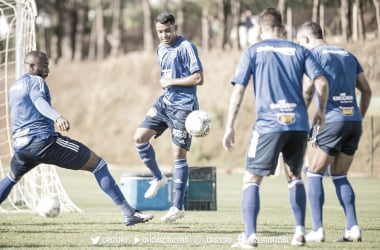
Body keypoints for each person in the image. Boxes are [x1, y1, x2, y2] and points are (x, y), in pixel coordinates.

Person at [0, 51, 153, 226]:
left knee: (11, 177)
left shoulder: (14, 87)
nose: (48, 70)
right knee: (98, 164)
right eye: (44, 66)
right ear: (32, 66)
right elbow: (39, 102)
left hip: (21, 147)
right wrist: (56, 117)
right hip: (42, 142)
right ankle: (129, 214)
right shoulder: (37, 81)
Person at [222, 8, 329, 248]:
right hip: (298, 124)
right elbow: (321, 82)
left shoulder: (253, 51)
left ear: (260, 28)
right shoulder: (299, 50)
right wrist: (320, 111)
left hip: (268, 125)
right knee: (294, 177)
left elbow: (238, 89)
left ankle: (249, 237)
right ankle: (299, 232)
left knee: (251, 179)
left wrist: (229, 126)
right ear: (281, 26)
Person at [297, 21, 372, 243]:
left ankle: (317, 229)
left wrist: (303, 122)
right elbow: (367, 91)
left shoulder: (313, 56)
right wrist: (358, 117)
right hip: (353, 120)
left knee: (313, 173)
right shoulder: (348, 54)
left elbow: (308, 91)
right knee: (339, 175)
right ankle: (353, 228)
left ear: (306, 39)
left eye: (301, 42)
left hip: (330, 120)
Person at [133, 13, 204, 222]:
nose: (164, 35)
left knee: (178, 156)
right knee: (139, 138)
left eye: (167, 30)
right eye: (160, 32)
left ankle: (177, 207)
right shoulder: (160, 48)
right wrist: (168, 85)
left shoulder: (186, 47)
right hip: (164, 103)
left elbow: (198, 78)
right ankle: (158, 177)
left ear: (175, 27)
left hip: (183, 108)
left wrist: (171, 81)